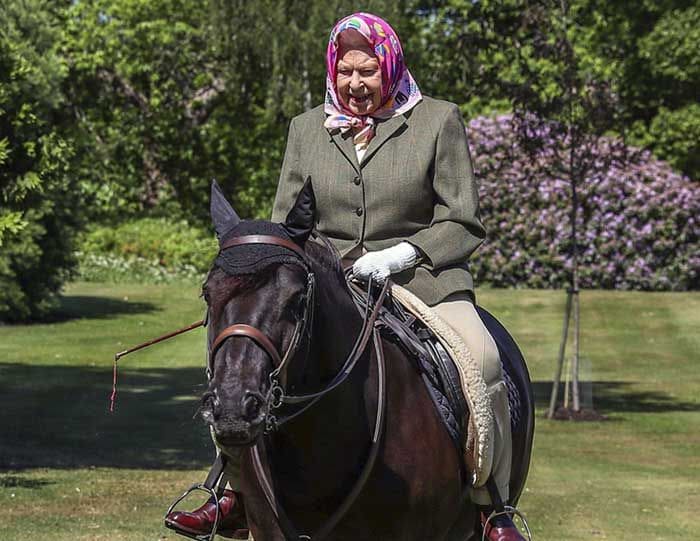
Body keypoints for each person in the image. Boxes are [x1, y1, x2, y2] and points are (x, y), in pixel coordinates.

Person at [166, 12, 524, 541]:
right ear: (333, 71)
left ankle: (489, 506)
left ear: (390, 66)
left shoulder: (437, 120)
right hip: (328, 283)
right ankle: (232, 492)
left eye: (368, 71)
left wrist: (402, 254)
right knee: (248, 357)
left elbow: (463, 220)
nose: (356, 85)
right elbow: (289, 223)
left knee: (484, 357)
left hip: (422, 280)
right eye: (346, 72)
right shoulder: (306, 129)